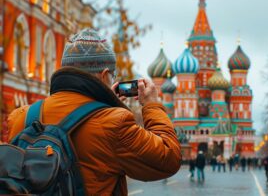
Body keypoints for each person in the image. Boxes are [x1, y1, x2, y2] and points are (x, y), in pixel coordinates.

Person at [7, 29, 181, 195]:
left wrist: (104, 105)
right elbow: (168, 158)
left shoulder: (20, 117)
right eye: (112, 76)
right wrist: (152, 105)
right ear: (105, 76)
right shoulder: (114, 123)